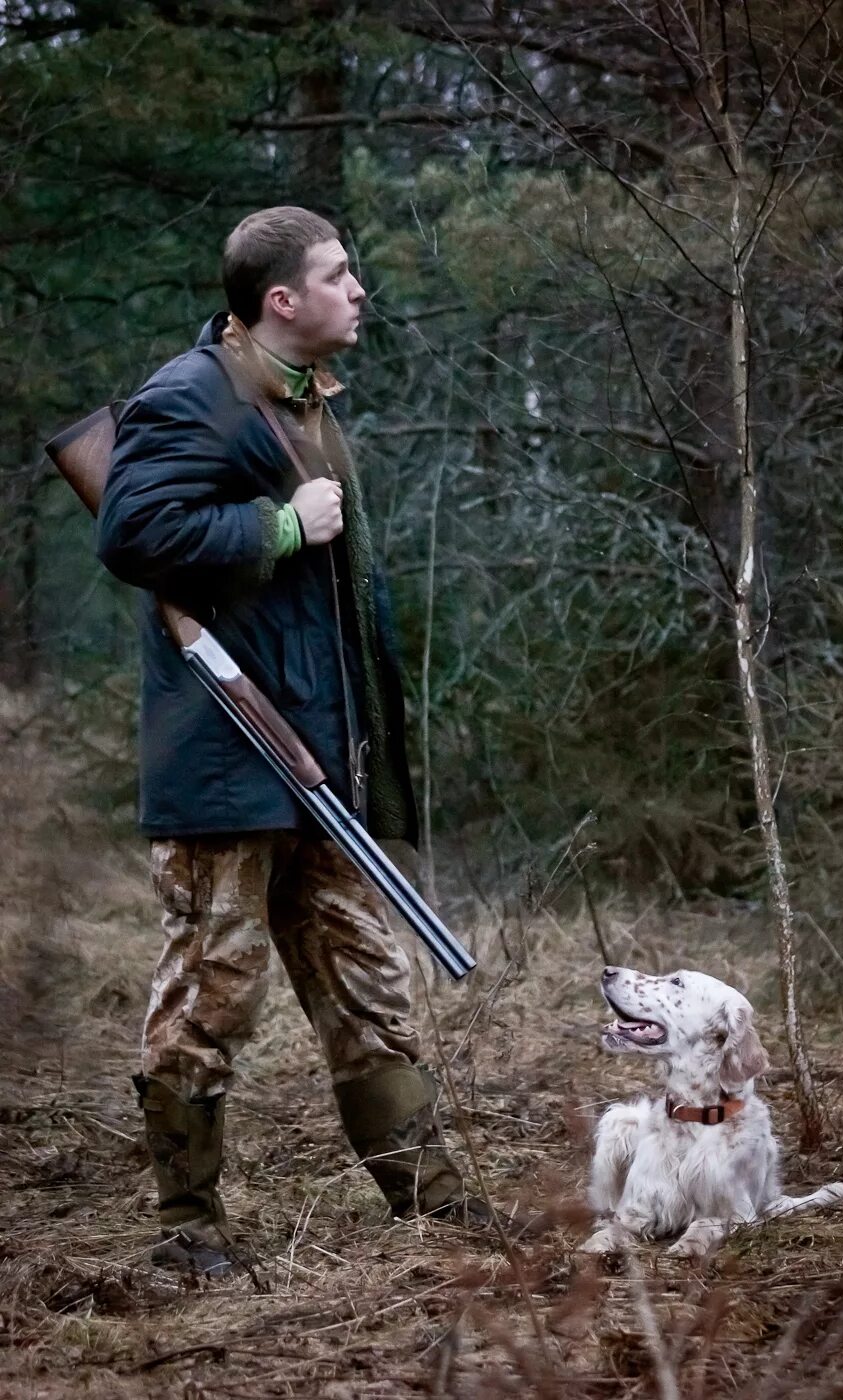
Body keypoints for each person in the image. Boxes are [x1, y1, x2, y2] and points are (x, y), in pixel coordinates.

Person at [97, 206, 500, 1276]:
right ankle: (186, 1226)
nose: (357, 287)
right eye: (337, 273)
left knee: (367, 974)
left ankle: (434, 1198)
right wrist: (278, 526)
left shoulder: (303, 399)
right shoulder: (191, 396)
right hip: (226, 750)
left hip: (312, 757)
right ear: (282, 300)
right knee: (212, 986)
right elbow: (131, 532)